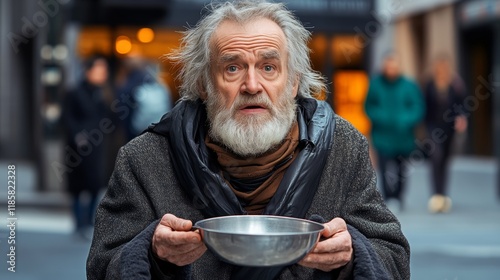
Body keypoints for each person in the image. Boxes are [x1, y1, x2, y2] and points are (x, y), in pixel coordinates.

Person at [87, 2, 410, 279]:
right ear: (204, 84)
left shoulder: (343, 148)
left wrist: (353, 251)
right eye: (232, 68)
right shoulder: (144, 159)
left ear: (294, 81)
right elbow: (102, 267)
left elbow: (394, 259)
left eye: (269, 67)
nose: (252, 85)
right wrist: (152, 251)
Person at [365, 52, 425, 210]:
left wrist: (406, 119)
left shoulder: (409, 86)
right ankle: (389, 196)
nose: (391, 69)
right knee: (384, 169)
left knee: (402, 169)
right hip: (382, 136)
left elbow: (418, 107)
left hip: (404, 137)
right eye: (388, 66)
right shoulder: (376, 84)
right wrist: (381, 117)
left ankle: (399, 196)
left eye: (394, 66)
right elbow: (369, 106)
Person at [63, 55, 109, 237]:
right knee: (77, 184)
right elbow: (67, 118)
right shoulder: (74, 92)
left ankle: (88, 221)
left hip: (96, 146)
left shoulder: (103, 93)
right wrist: (77, 136)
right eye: (99, 69)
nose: (103, 74)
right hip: (77, 146)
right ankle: (79, 222)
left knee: (94, 184)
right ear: (88, 71)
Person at [424, 54, 467, 213]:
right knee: (436, 157)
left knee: (445, 160)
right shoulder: (429, 84)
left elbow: (462, 104)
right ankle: (436, 194)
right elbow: (426, 106)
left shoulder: (455, 84)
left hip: (449, 129)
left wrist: (462, 118)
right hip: (434, 128)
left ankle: (443, 193)